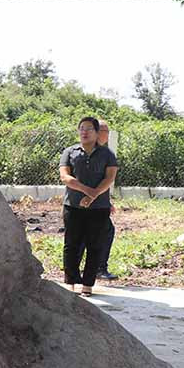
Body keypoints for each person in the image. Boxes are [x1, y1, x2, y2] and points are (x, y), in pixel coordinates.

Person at [59, 117, 119, 297]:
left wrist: (93, 196)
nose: (84, 132)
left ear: (97, 132)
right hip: (73, 206)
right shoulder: (69, 152)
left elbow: (110, 178)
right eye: (81, 128)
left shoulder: (107, 154)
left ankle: (88, 285)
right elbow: (65, 177)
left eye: (89, 129)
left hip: (99, 208)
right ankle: (70, 283)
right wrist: (88, 191)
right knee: (71, 245)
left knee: (95, 246)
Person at [76, 120, 119, 281]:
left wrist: (107, 202)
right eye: (104, 131)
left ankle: (82, 270)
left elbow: (104, 181)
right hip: (84, 203)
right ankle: (97, 269)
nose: (106, 134)